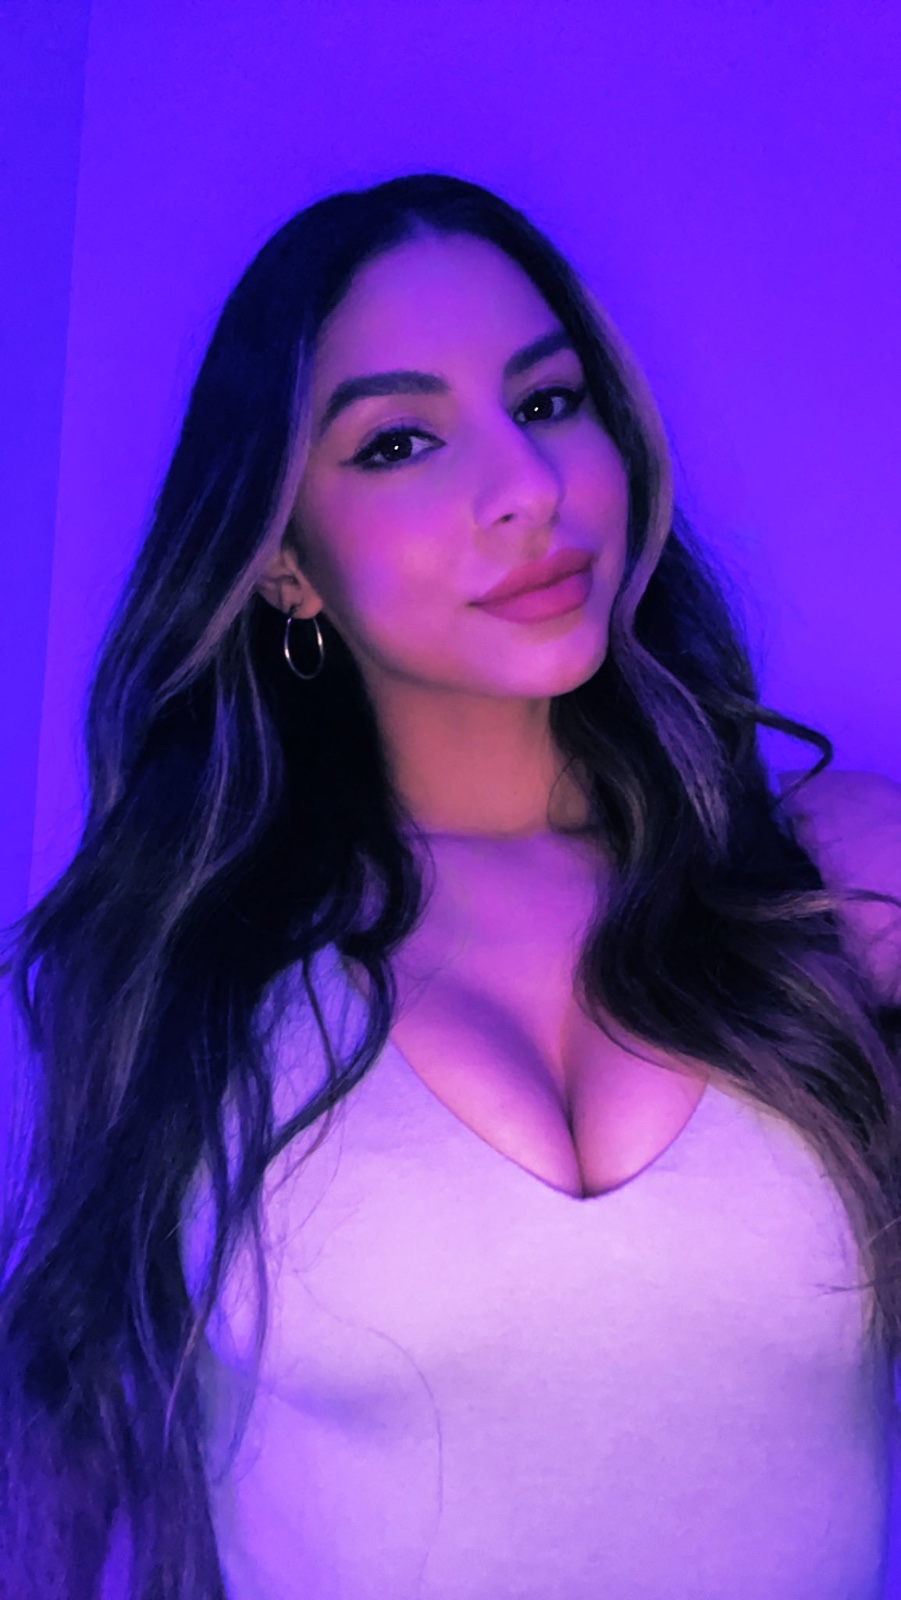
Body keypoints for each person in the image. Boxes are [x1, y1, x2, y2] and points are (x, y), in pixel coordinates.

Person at [1, 172, 900, 1600]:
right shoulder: (187, 968)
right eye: (401, 442)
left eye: (549, 403)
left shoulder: (829, 885)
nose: (530, 489)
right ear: (284, 565)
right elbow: (63, 1480)